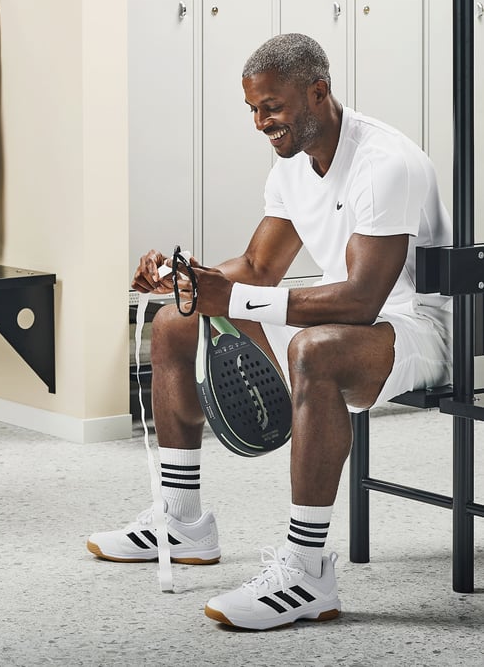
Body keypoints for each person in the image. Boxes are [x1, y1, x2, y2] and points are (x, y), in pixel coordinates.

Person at [88, 33, 452, 630]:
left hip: (420, 332)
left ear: (318, 92)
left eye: (272, 108)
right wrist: (189, 283)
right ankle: (181, 522)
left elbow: (363, 300)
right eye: (253, 110)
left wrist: (237, 297)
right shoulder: (294, 166)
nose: (261, 123)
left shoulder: (385, 164)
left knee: (316, 351)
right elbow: (257, 269)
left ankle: (308, 571)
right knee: (176, 325)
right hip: (345, 320)